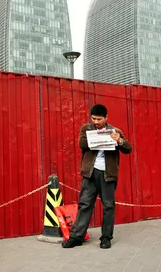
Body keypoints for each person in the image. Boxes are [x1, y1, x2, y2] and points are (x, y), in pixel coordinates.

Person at [62, 104, 132, 250]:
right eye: (93, 118)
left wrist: (119, 141)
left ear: (106, 117)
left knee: (108, 206)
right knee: (85, 204)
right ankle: (76, 237)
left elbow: (128, 148)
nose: (95, 122)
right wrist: (98, 138)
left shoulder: (115, 131)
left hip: (108, 174)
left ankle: (106, 238)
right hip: (90, 173)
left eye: (99, 119)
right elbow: (82, 144)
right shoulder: (86, 129)